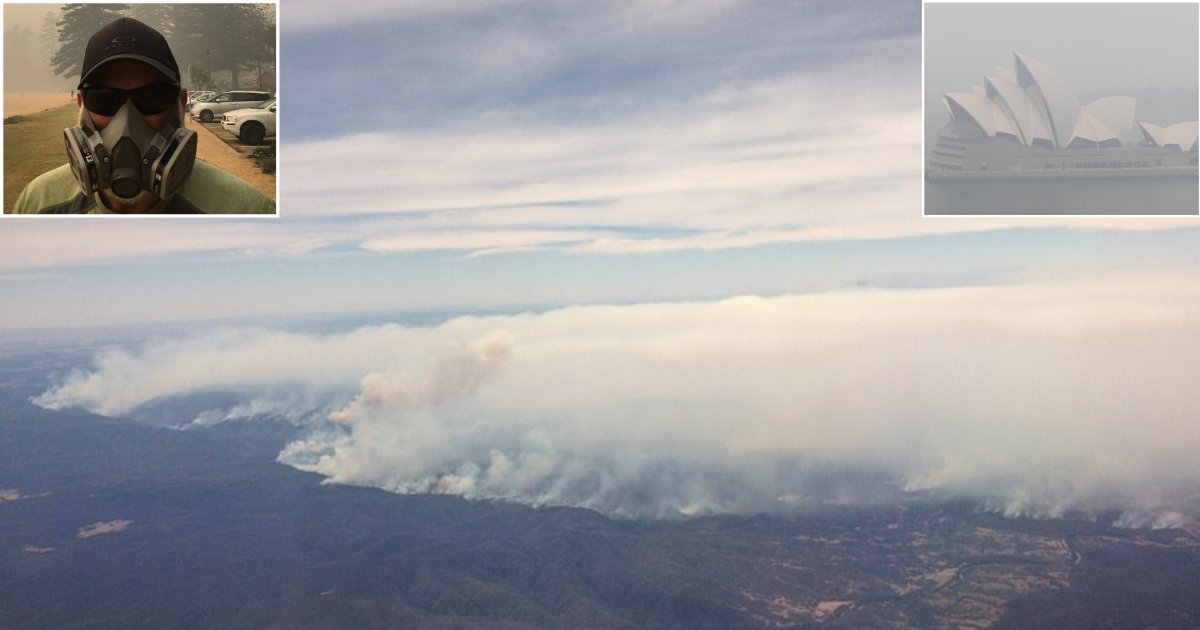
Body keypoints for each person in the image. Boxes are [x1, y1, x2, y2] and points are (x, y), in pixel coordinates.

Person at [12, 17, 274, 214]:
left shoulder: (247, 209)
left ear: (181, 103)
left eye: (152, 97)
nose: (126, 120)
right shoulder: (37, 202)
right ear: (81, 103)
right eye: (104, 99)